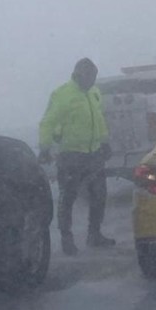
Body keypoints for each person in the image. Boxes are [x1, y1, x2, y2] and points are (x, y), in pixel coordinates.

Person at [38, 58, 115, 256]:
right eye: (90, 77)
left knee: (99, 196)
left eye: (94, 77)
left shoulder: (94, 93)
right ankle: (66, 239)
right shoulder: (62, 95)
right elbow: (47, 122)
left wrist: (104, 142)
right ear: (78, 75)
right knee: (68, 198)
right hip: (70, 155)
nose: (92, 81)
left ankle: (94, 234)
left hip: (94, 153)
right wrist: (45, 148)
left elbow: (98, 120)